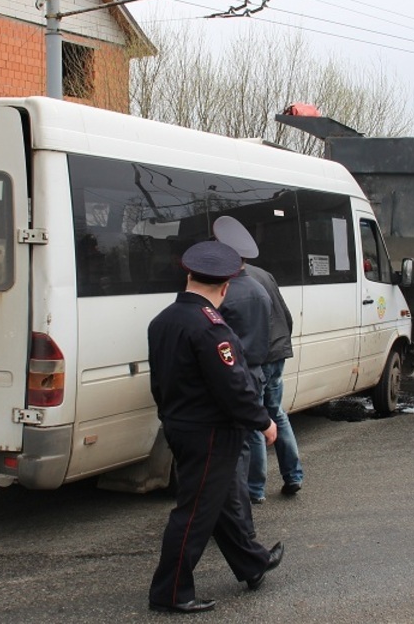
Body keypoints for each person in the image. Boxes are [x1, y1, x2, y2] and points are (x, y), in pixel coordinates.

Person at [147, 240, 285, 614]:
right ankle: (170, 592)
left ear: (189, 276)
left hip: (180, 425)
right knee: (193, 514)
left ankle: (252, 563)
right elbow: (234, 387)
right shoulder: (212, 329)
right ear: (225, 287)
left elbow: (158, 383)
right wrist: (264, 422)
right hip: (210, 432)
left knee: (220, 501)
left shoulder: (162, 321)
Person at [213, 216, 305, 502]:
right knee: (276, 413)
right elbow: (286, 316)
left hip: (258, 356)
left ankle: (255, 489)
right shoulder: (263, 274)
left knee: (255, 419)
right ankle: (294, 475)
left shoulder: (228, 283)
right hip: (278, 351)